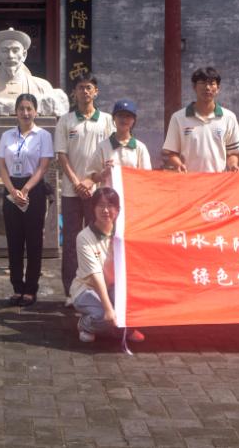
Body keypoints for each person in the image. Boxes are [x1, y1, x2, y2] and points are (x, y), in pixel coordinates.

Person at [54, 73, 115, 305]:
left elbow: (110, 155)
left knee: (99, 240)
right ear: (74, 92)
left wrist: (90, 182)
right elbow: (61, 155)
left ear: (96, 92)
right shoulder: (65, 121)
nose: (85, 92)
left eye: (89, 87)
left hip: (99, 193)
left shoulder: (107, 121)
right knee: (71, 241)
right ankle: (71, 291)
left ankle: (100, 290)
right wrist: (77, 182)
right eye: (80, 88)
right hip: (72, 191)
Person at [0, 93, 54, 307]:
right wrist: (12, 190)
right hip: (11, 188)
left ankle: (30, 289)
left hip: (34, 189)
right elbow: (1, 165)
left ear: (36, 112)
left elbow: (43, 166)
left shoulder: (43, 136)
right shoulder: (7, 136)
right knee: (14, 240)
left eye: (29, 108)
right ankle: (17, 287)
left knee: (34, 241)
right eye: (21, 108)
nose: (25, 112)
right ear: (16, 112)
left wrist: (26, 189)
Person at [72, 187, 144, 344]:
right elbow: (95, 276)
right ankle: (85, 324)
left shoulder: (122, 234)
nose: (105, 210)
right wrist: (108, 308)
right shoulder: (84, 237)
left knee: (132, 306)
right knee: (103, 317)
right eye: (100, 205)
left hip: (113, 286)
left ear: (118, 210)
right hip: (87, 288)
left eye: (110, 205)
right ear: (93, 208)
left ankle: (124, 329)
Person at [0, 27, 69, 116]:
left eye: (15, 50)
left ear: (24, 55)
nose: (10, 56)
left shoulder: (43, 87)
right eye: (5, 51)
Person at [163, 67, 239, 173]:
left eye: (211, 83)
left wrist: (233, 165)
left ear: (218, 88)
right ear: (194, 87)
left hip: (219, 180)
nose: (207, 87)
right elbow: (171, 152)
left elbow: (233, 152)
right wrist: (179, 165)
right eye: (202, 83)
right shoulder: (178, 117)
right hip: (189, 179)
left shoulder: (229, 117)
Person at [85, 99, 151, 188]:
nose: (124, 120)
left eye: (128, 116)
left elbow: (147, 177)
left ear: (134, 120)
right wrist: (103, 174)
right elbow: (91, 177)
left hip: (133, 194)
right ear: (114, 118)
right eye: (120, 116)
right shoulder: (103, 146)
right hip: (108, 195)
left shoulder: (140, 147)